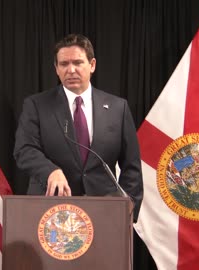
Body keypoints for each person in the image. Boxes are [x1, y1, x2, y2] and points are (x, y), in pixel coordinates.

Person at [14, 33, 143, 220]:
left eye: (78, 62)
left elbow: (131, 167)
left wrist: (128, 210)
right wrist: (50, 170)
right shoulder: (37, 105)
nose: (71, 70)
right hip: (52, 210)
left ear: (92, 65)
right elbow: (24, 150)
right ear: (56, 69)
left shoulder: (117, 108)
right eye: (64, 64)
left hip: (104, 213)